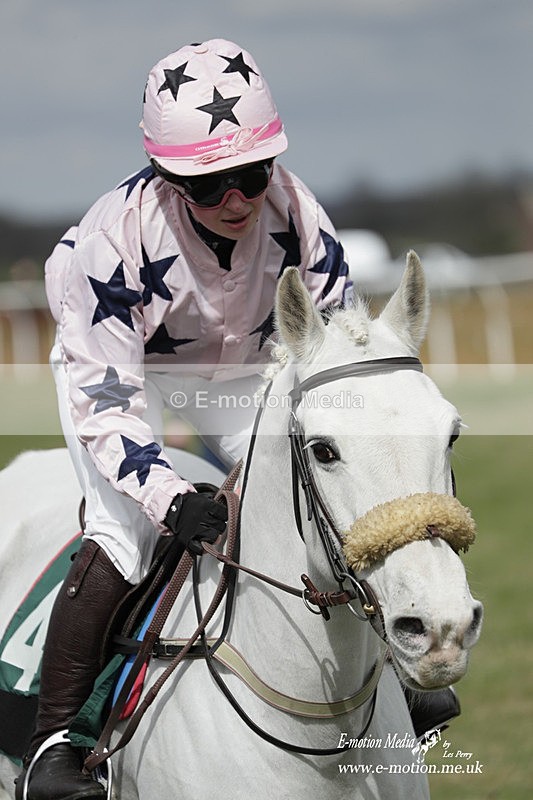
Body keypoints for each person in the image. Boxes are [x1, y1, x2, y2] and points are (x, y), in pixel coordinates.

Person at [17, 39, 349, 800]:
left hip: (234, 370)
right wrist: (170, 500)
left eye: (252, 175)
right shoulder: (107, 242)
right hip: (121, 375)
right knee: (126, 533)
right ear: (166, 174)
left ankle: (392, 669)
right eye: (207, 185)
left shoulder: (300, 213)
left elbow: (334, 348)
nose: (237, 201)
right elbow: (107, 407)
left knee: (322, 486)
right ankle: (54, 744)